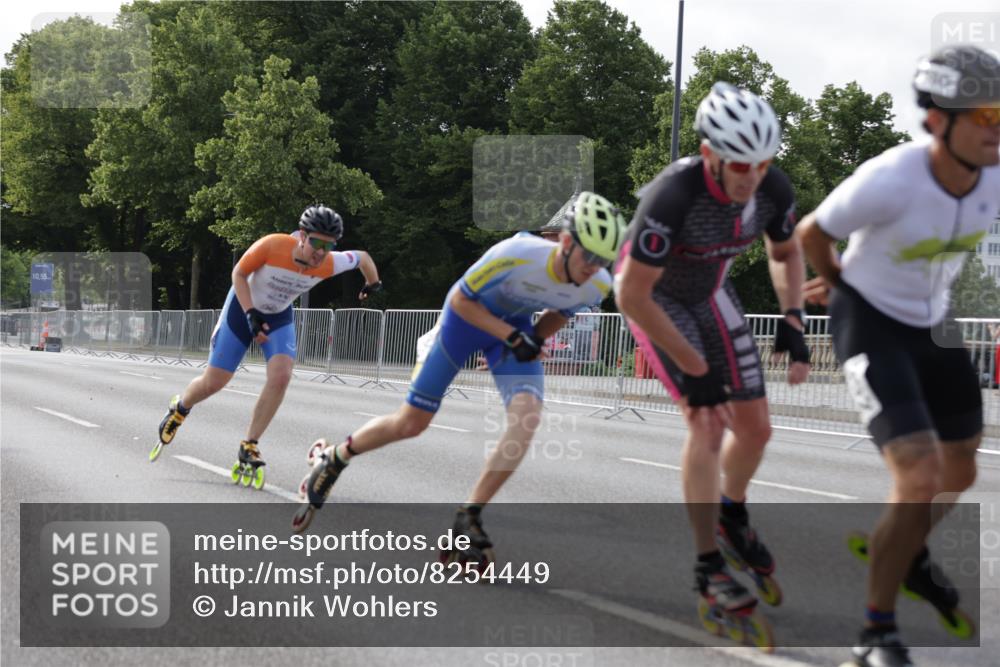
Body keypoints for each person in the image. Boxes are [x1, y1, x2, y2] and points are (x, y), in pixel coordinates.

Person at [797, 45, 1000, 667]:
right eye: (987, 116)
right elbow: (812, 232)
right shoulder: (893, 176)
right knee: (919, 478)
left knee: (962, 471)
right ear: (938, 119)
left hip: (932, 322)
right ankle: (875, 632)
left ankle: (908, 553)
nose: (999, 129)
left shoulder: (995, 173)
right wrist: (838, 281)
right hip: (871, 323)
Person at [291, 191, 626, 542]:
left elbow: (562, 311)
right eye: (589, 255)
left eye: (604, 259)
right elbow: (461, 301)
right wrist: (513, 338)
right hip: (462, 324)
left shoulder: (597, 285)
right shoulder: (518, 253)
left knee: (527, 419)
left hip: (513, 332)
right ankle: (335, 457)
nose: (594, 266)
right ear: (567, 242)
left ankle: (470, 514)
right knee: (411, 423)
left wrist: (535, 340)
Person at [614, 82, 810, 619]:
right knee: (706, 422)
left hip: (710, 291)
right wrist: (697, 371)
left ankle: (732, 515)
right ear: (709, 155)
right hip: (653, 298)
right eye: (739, 165)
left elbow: (787, 251)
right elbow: (632, 294)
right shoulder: (674, 193)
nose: (752, 177)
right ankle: (707, 566)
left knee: (756, 428)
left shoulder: (772, 189)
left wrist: (793, 315)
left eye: (762, 164)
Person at [151, 205, 383, 489]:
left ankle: (249, 444)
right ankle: (180, 407)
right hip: (242, 307)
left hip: (278, 315)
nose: (321, 252)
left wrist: (372, 284)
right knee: (215, 381)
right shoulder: (273, 245)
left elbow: (363, 257)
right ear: (302, 236)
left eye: (329, 245)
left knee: (282, 375)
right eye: (316, 243)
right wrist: (250, 313)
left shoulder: (330, 262)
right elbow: (238, 274)